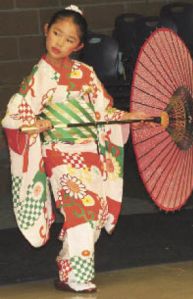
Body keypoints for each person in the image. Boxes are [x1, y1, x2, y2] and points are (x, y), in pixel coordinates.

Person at [2, 4, 148, 293]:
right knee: (80, 211)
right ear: (46, 31)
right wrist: (33, 124)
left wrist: (128, 115)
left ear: (79, 45)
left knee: (91, 214)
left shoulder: (86, 73)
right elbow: (15, 115)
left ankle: (67, 265)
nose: (60, 43)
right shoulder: (38, 76)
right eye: (56, 34)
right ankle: (77, 278)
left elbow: (104, 111)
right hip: (59, 153)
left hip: (88, 153)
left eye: (69, 39)